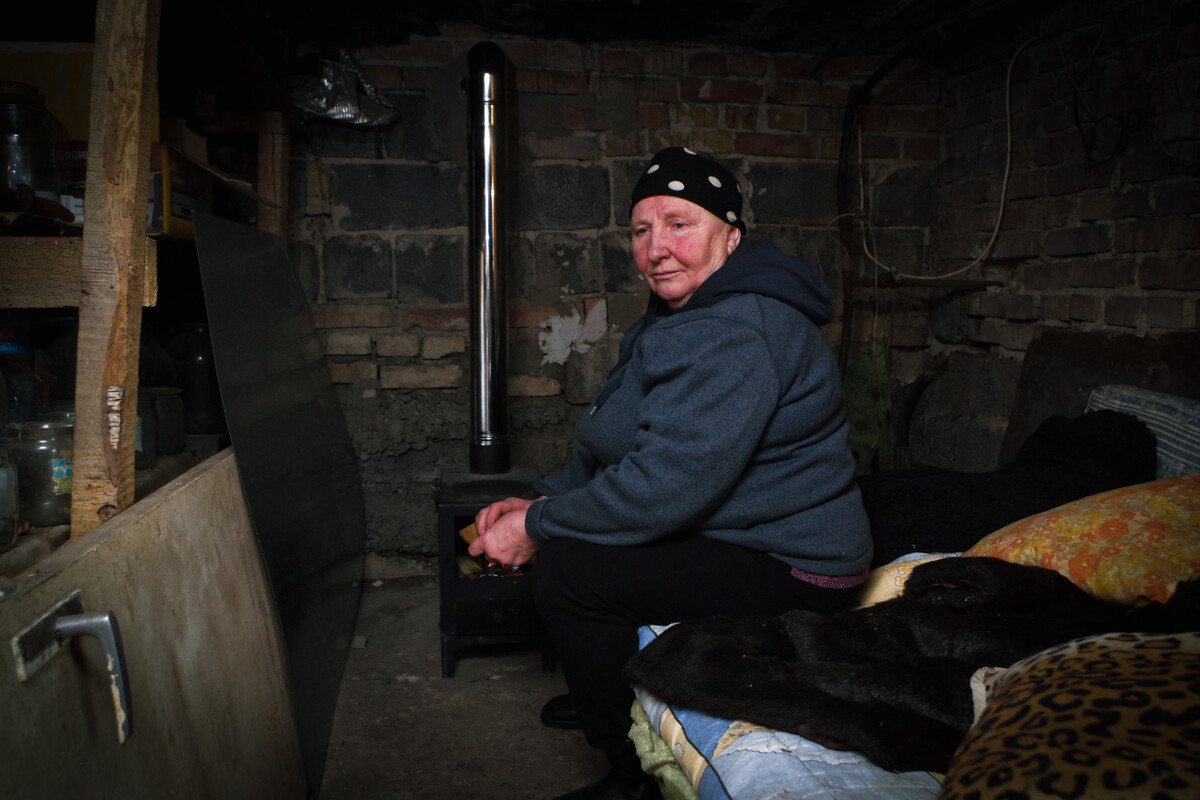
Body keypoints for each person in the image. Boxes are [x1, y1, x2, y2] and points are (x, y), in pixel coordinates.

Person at [469, 146, 872, 800]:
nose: (656, 247)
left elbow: (661, 491)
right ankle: (606, 687)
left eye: (680, 224)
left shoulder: (739, 327)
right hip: (732, 527)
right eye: (641, 229)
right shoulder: (678, 315)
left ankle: (628, 774)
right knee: (571, 537)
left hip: (790, 560)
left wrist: (537, 526)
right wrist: (543, 498)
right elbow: (617, 444)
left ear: (731, 236)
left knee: (570, 576)